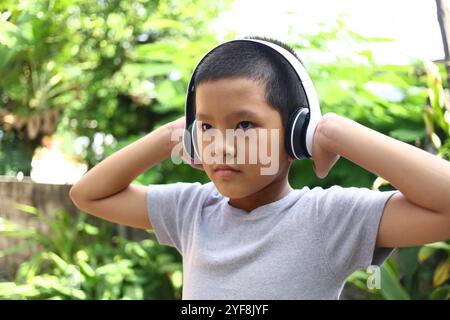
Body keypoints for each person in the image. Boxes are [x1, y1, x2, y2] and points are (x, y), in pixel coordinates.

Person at [69, 36, 450, 299]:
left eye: (244, 125)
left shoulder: (331, 219)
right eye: (206, 127)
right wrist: (174, 134)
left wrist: (333, 131)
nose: (220, 145)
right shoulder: (190, 211)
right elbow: (88, 194)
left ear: (295, 133)